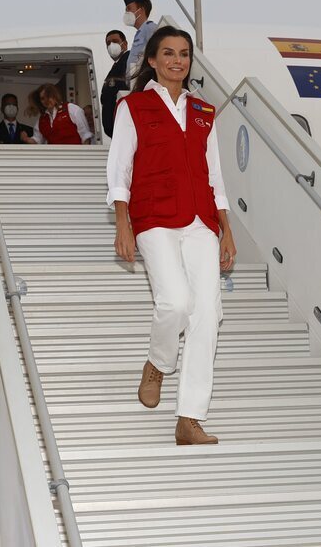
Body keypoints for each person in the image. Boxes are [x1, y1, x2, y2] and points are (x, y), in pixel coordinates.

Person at [106, 26, 236, 446]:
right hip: (154, 218)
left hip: (201, 220)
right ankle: (158, 363)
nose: (176, 60)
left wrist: (227, 229)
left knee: (208, 314)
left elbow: (215, 175)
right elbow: (119, 168)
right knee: (176, 302)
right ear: (152, 60)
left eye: (183, 54)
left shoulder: (204, 112)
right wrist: (122, 223)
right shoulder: (134, 107)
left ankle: (189, 418)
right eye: (168, 53)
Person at [21, 84, 93, 145]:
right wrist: (26, 139)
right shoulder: (42, 119)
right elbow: (37, 140)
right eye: (43, 98)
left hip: (75, 157)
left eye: (48, 96)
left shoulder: (72, 109)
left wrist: (84, 158)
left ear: (55, 95)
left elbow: (85, 136)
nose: (46, 101)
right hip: (54, 159)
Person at [122, 0, 158, 86]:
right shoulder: (140, 32)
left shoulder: (150, 28)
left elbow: (156, 54)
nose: (126, 13)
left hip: (144, 82)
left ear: (141, 10)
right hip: (135, 82)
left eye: (129, 9)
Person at [100, 29, 130, 137]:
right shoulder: (116, 66)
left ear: (125, 44)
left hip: (124, 127)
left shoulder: (128, 60)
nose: (111, 45)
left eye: (115, 41)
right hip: (116, 129)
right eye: (108, 43)